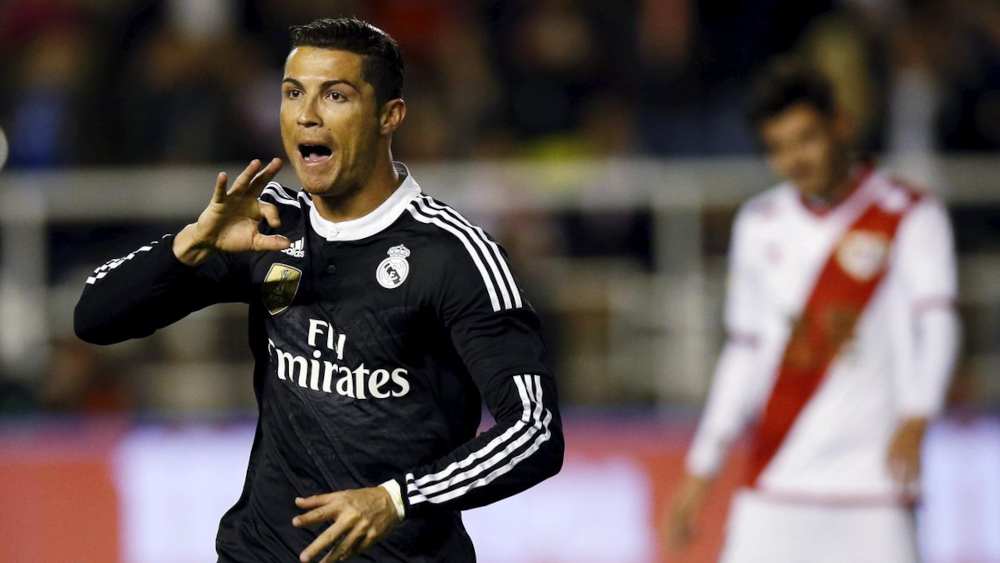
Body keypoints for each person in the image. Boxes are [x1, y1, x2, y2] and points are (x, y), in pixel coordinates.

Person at [75, 17, 563, 563]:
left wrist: (395, 500)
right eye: (292, 93)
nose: (307, 114)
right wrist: (189, 246)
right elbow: (94, 317)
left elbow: (535, 432)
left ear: (388, 116)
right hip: (260, 551)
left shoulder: (455, 256)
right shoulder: (267, 225)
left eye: (335, 95)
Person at [663, 59, 959, 562]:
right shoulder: (759, 223)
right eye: (778, 149)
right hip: (777, 478)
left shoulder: (907, 212)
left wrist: (919, 412)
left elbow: (939, 321)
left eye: (806, 139)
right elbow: (744, 352)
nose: (795, 160)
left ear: (840, 124)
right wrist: (701, 467)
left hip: (875, 485)